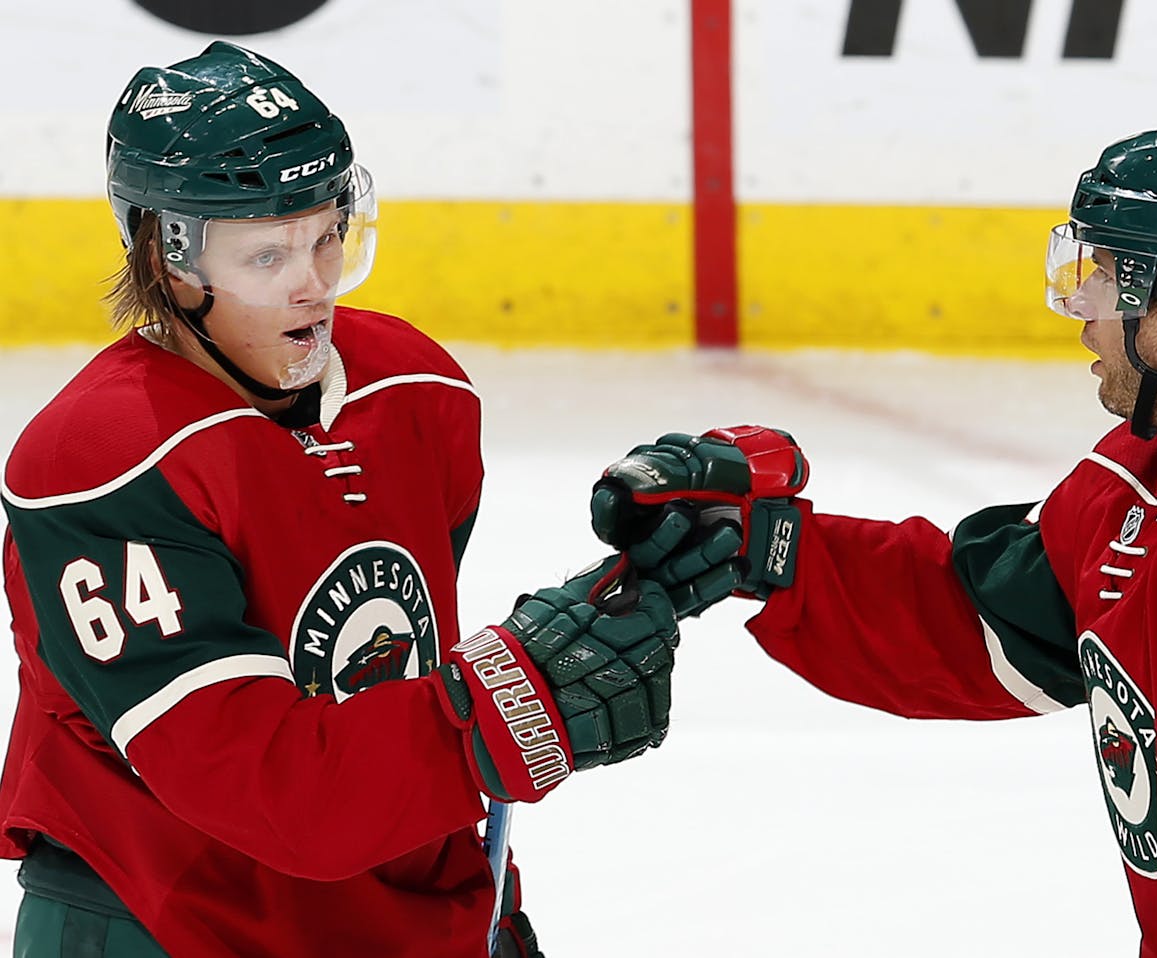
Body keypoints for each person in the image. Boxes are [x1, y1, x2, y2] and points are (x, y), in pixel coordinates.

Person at [590, 118, 1157, 955]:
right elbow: (979, 620)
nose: (1084, 312)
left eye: (1110, 278)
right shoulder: (1145, 481)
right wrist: (759, 547)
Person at [0, 41, 680, 957]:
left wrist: (657, 577)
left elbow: (394, 683)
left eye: (326, 235)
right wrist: (506, 706)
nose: (312, 283)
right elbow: (270, 791)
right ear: (169, 259)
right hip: (162, 920)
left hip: (387, 908)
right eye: (267, 253)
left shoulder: (417, 390)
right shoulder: (102, 463)